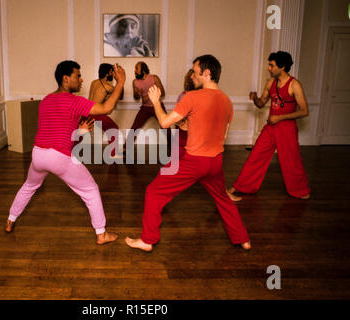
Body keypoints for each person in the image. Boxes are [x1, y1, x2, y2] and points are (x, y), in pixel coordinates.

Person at [125, 55, 251, 252]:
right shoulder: (227, 101)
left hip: (194, 162)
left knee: (153, 192)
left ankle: (148, 240)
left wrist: (156, 101)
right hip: (216, 162)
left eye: (195, 71)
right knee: (223, 199)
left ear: (206, 73)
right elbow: (222, 134)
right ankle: (243, 239)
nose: (192, 74)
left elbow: (165, 122)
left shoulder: (193, 96)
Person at [5, 60, 126, 245]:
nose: (81, 79)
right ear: (65, 78)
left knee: (29, 186)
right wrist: (121, 82)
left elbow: (56, 131)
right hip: (58, 156)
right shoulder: (74, 101)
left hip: (38, 154)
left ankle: (10, 220)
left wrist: (80, 131)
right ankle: (101, 234)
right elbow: (107, 108)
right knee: (91, 190)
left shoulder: (46, 100)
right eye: (78, 76)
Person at [227, 51, 310, 200]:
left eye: (271, 65)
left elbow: (304, 111)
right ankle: (241, 186)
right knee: (255, 156)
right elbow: (261, 104)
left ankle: (301, 190)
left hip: (287, 128)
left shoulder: (294, 85)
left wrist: (280, 117)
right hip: (271, 127)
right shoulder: (270, 83)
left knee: (291, 160)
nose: (268, 68)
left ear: (282, 67)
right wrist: (255, 98)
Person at [125, 62, 170, 152]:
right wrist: (138, 94)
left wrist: (147, 95)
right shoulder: (135, 82)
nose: (135, 71)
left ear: (143, 70)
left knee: (166, 127)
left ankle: (175, 150)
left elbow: (163, 93)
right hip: (145, 108)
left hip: (157, 106)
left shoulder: (154, 78)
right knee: (135, 127)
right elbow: (136, 97)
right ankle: (126, 148)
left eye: (136, 68)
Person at [88, 63, 124, 158]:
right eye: (112, 72)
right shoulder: (107, 87)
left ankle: (67, 151)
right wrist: (119, 81)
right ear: (108, 73)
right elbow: (120, 95)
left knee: (79, 131)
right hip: (96, 114)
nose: (112, 75)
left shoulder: (94, 82)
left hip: (86, 111)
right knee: (114, 129)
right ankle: (113, 154)